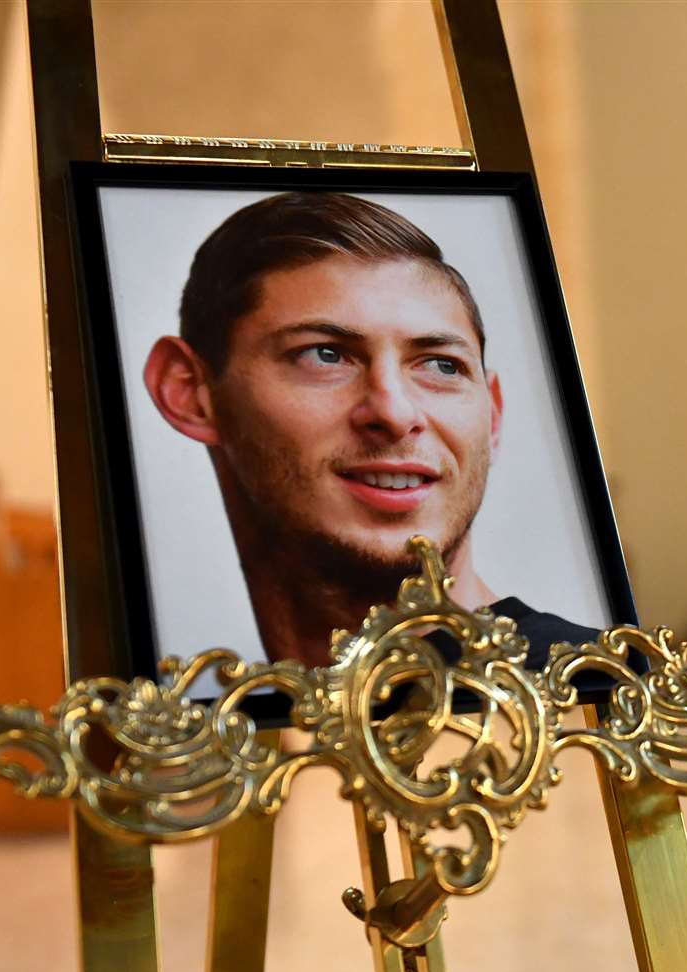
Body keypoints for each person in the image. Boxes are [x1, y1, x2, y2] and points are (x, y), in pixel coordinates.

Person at [142, 191, 600, 670]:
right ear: (189, 391)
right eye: (324, 354)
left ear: (493, 414)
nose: (395, 413)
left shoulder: (603, 697)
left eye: (442, 365)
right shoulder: (185, 723)